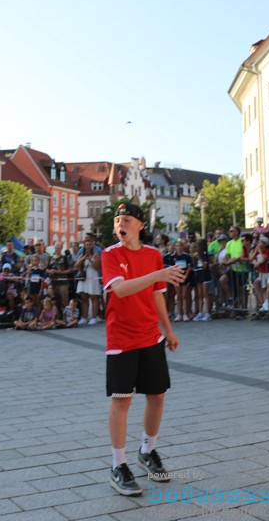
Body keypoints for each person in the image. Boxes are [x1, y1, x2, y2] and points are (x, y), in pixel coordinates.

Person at [101, 202, 184, 496]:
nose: (120, 225)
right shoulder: (110, 254)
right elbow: (121, 289)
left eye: (126, 220)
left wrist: (169, 331)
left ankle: (148, 450)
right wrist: (157, 276)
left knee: (157, 395)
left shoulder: (152, 255)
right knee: (122, 400)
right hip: (121, 337)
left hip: (151, 336)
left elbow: (157, 296)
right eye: (117, 221)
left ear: (139, 226)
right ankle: (118, 465)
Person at [76, 237, 102, 325]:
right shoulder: (82, 254)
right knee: (84, 298)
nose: (88, 246)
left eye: (90, 244)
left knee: (93, 298)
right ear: (84, 246)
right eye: (86, 245)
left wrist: (90, 259)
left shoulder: (95, 255)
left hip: (92, 278)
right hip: (84, 278)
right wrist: (83, 259)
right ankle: (84, 317)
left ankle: (94, 317)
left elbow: (97, 267)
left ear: (92, 245)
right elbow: (76, 266)